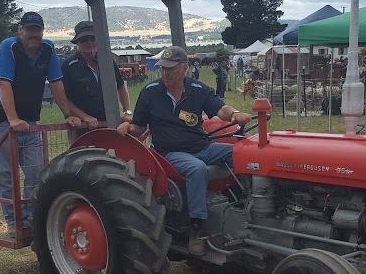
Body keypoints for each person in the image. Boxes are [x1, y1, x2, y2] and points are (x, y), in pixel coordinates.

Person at [116, 46, 252, 256]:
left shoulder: (198, 89)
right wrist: (129, 128)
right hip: (169, 153)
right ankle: (196, 228)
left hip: (202, 147)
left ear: (185, 69)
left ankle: (247, 207)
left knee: (244, 154)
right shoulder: (150, 92)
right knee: (197, 169)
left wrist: (235, 113)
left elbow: (220, 109)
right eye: (163, 68)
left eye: (170, 69)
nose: (165, 73)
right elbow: (140, 126)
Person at [0, 12, 81, 235]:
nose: (33, 35)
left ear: (42, 32)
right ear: (20, 31)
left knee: (37, 170)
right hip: (0, 120)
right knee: (6, 174)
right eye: (29, 30)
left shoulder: (47, 49)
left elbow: (56, 83)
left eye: (37, 30)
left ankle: (29, 218)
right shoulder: (9, 48)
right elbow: (3, 85)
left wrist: (67, 113)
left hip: (29, 121)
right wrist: (13, 119)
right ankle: (13, 222)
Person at [60, 20, 132, 137]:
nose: (89, 42)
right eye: (84, 39)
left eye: (92, 38)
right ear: (77, 42)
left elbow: (121, 86)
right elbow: (64, 99)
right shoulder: (68, 66)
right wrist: (85, 117)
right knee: (84, 155)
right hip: (81, 128)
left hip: (110, 124)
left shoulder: (108, 61)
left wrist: (127, 111)